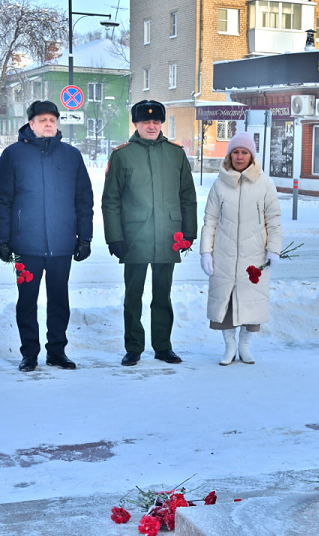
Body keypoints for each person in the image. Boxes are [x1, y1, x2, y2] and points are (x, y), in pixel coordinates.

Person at [0, 101, 94, 372]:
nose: (48, 124)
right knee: (27, 301)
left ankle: (57, 352)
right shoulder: (13, 155)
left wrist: (85, 237)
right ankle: (29, 353)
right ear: (31, 124)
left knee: (59, 300)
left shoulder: (71, 156)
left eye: (52, 120)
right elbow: (1, 200)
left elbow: (84, 200)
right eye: (42, 120)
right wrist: (1, 239)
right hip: (26, 245)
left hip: (61, 244)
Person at [102, 100, 197, 366]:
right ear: (136, 124)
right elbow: (111, 200)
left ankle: (163, 346)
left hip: (169, 236)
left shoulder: (175, 154)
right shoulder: (122, 155)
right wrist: (114, 237)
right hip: (135, 237)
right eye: (146, 122)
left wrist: (189, 231)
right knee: (133, 295)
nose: (152, 126)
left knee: (163, 295)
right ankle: (133, 347)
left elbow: (187, 196)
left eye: (156, 122)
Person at [199, 131, 282, 365]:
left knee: (250, 301)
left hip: (253, 256)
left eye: (244, 152)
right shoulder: (219, 185)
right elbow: (210, 220)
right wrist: (206, 252)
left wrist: (273, 249)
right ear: (230, 155)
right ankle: (230, 347)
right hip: (224, 255)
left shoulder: (265, 184)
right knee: (225, 303)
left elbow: (273, 220)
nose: (239, 156)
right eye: (235, 152)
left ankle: (244, 346)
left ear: (251, 156)